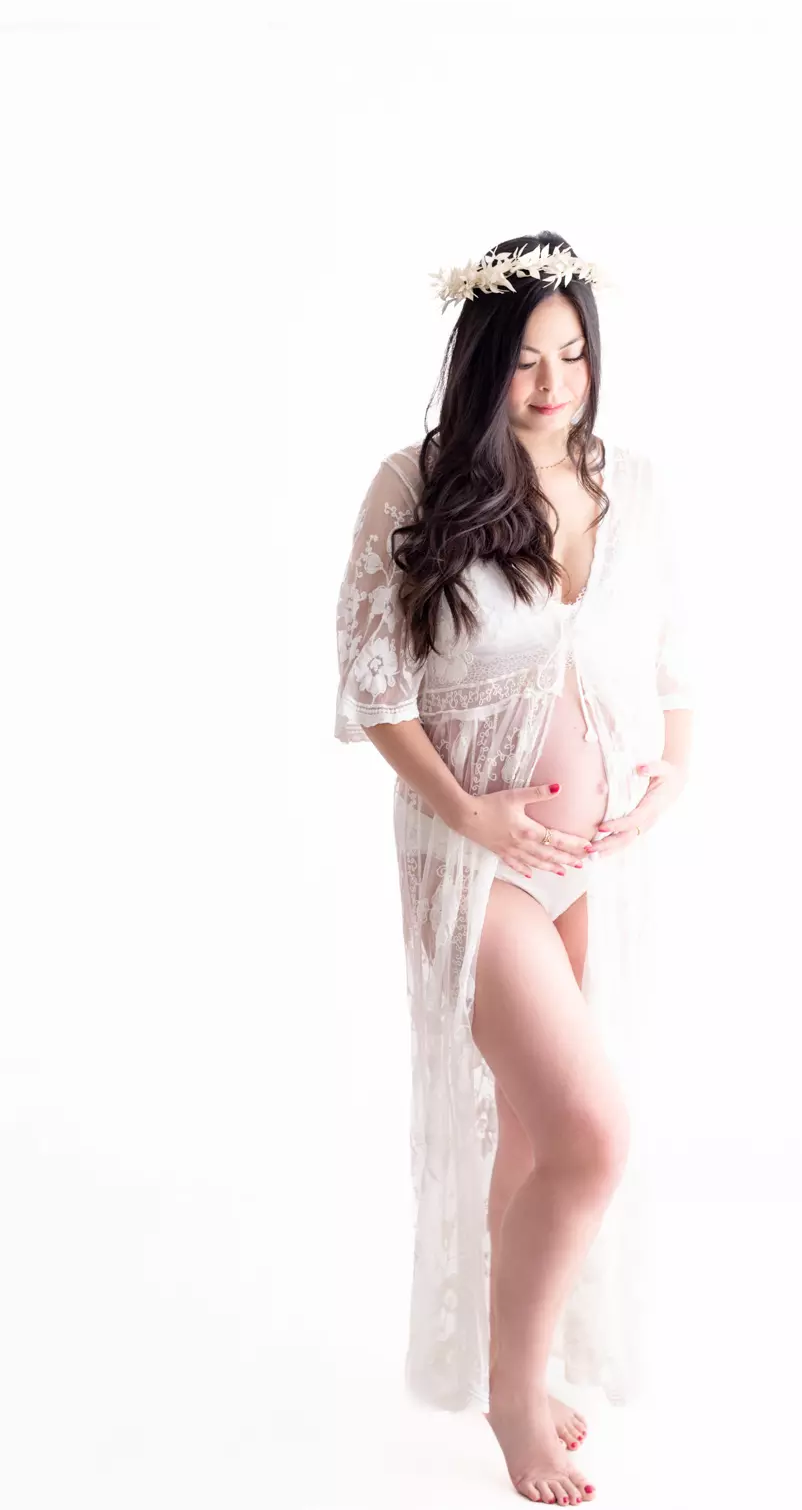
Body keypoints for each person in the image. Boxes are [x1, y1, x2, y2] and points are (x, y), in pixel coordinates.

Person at [335, 231, 696, 1504]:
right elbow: (373, 689)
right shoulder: (416, 487)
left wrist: (670, 774)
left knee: (537, 1140)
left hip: (592, 868)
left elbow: (676, 664)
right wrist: (470, 816)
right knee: (592, 1136)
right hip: (471, 862)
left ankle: (528, 1367)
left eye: (574, 355)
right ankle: (507, 1397)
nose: (554, 385)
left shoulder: (634, 487)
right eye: (528, 361)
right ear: (483, 362)